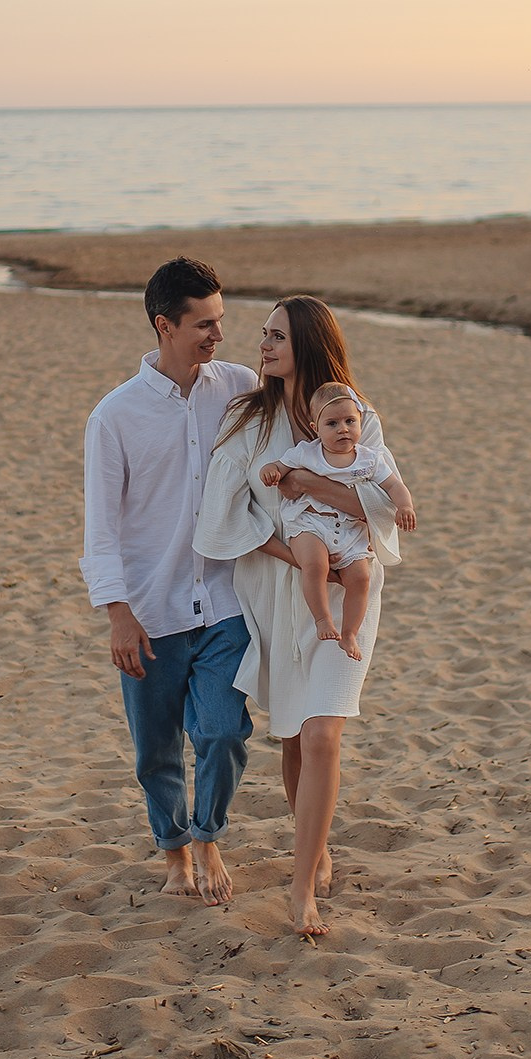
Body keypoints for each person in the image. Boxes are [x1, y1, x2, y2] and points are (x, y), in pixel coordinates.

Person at [193, 297, 405, 937]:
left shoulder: (352, 415)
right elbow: (223, 515)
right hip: (278, 592)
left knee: (321, 734)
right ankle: (314, 846)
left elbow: (382, 503)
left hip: (348, 595)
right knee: (291, 734)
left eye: (277, 335)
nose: (262, 344)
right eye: (262, 334)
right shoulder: (248, 418)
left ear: (309, 342)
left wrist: (307, 487)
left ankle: (300, 884)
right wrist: (296, 555)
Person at [81, 257, 258, 904]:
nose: (218, 335)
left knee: (221, 731)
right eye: (205, 324)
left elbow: (308, 413)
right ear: (165, 325)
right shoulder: (114, 417)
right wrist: (116, 612)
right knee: (155, 751)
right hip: (151, 610)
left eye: (221, 320)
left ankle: (208, 833)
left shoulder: (238, 386)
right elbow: (100, 528)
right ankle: (175, 854)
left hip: (224, 601)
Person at [259, 381, 416, 661]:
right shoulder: (307, 452)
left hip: (350, 532)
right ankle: (322, 619)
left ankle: (350, 633)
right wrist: (271, 471)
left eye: (349, 421)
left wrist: (404, 505)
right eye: (332, 424)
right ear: (315, 428)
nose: (343, 429)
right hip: (311, 524)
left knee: (360, 578)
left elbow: (394, 486)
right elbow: (280, 467)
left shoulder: (370, 459)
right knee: (315, 564)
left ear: (359, 422)